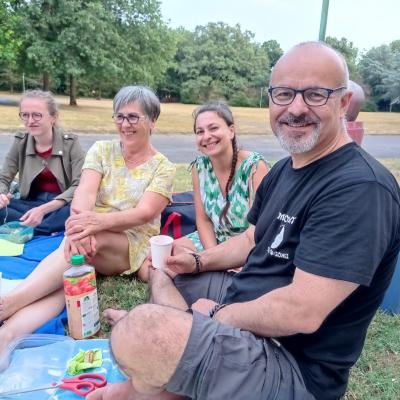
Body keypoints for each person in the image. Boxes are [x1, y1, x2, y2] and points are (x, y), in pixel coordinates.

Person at [88, 42, 400, 400]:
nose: (295, 108)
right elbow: (252, 240)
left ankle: (151, 374)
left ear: (343, 103)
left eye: (315, 94)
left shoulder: (359, 188)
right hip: (252, 303)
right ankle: (184, 349)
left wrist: (219, 315)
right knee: (166, 274)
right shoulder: (286, 169)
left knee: (140, 331)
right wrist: (197, 261)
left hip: (292, 365)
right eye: (284, 94)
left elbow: (302, 312)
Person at [0, 85, 175, 351]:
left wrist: (91, 225)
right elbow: (84, 194)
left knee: (74, 253)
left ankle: (10, 302)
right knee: (70, 275)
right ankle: (7, 337)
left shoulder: (163, 166)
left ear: (153, 121)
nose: (124, 124)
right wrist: (79, 227)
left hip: (131, 243)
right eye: (119, 116)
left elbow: (144, 214)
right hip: (89, 236)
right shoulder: (102, 150)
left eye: (133, 117)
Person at [176, 101, 268, 252]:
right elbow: (204, 221)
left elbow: (258, 229)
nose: (206, 136)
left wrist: (218, 260)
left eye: (213, 128)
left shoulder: (254, 167)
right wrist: (211, 256)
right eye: (200, 131)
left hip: (248, 246)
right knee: (165, 254)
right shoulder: (199, 167)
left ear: (231, 131)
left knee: (182, 264)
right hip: (213, 240)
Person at [0, 90, 85, 235]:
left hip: (62, 204)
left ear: (53, 117)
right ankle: (43, 227)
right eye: (25, 115)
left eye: (37, 115)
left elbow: (79, 185)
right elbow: (4, 178)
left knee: (76, 212)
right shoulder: (20, 142)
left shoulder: (71, 143)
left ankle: (28, 227)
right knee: (3, 209)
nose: (30, 121)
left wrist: (43, 210)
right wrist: (1, 195)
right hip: (29, 204)